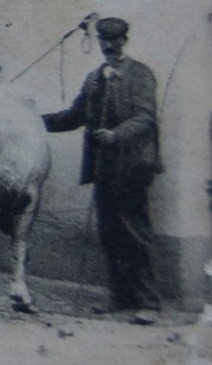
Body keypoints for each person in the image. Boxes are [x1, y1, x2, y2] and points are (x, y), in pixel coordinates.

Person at [42, 16, 162, 325]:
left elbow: (145, 118)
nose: (108, 46)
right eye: (103, 41)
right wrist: (33, 120)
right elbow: (73, 116)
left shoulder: (140, 75)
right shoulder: (94, 78)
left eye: (114, 41)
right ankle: (120, 298)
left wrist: (116, 135)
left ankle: (148, 302)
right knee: (110, 235)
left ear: (124, 40)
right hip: (104, 169)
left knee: (135, 232)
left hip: (133, 167)